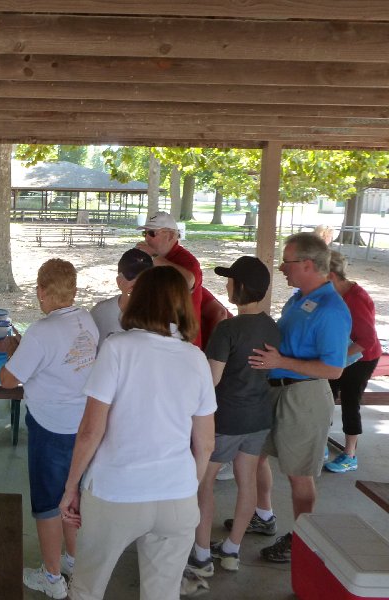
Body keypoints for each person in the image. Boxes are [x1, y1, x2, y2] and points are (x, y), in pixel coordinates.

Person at [59, 265, 215, 600]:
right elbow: (205, 443)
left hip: (116, 490)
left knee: (86, 589)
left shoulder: (117, 347)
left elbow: (91, 430)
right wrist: (187, 487)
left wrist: (71, 486)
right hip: (177, 494)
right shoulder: (196, 358)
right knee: (162, 593)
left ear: (139, 299)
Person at [0, 258, 98, 600]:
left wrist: (13, 353)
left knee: (48, 504)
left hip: (50, 427)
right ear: (73, 289)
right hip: (83, 426)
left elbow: (8, 380)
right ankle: (72, 559)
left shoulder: (41, 332)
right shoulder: (86, 320)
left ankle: (52, 577)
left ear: (41, 291)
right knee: (74, 494)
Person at [248, 232, 351, 563]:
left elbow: (333, 369)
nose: (281, 268)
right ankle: (263, 515)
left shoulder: (331, 310)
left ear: (307, 264)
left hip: (304, 396)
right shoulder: (298, 299)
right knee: (254, 456)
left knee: (298, 474)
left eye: (287, 262)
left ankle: (303, 541)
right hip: (276, 390)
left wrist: (281, 361)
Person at [187, 256, 280, 579]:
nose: (226, 285)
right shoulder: (272, 326)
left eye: (229, 281)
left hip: (226, 418)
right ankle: (232, 549)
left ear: (240, 287)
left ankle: (201, 554)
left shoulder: (227, 329)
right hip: (259, 417)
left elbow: (211, 380)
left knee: (205, 484)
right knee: (247, 481)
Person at [323, 251, 381, 473]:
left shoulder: (356, 298)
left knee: (349, 402)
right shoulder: (332, 293)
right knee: (325, 398)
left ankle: (349, 455)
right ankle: (321, 441)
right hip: (340, 355)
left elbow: (367, 340)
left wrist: (339, 359)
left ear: (331, 275)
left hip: (362, 358)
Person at [136, 211, 203, 346]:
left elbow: (188, 282)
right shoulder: (151, 260)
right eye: (145, 233)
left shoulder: (187, 261)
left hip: (184, 341)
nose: (147, 239)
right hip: (156, 335)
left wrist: (154, 257)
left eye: (152, 233)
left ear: (171, 235)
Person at [89, 248, 152, 348]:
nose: (140, 285)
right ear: (119, 281)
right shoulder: (100, 312)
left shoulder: (160, 316)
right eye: (133, 278)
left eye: (146, 279)